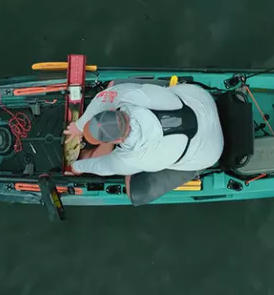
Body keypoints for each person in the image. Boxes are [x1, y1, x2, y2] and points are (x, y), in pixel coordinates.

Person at [63, 82, 224, 205]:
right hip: (202, 100)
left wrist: (76, 167)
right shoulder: (131, 95)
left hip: (209, 150)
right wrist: (78, 127)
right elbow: (102, 98)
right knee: (114, 86)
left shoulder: (133, 158)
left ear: (116, 141)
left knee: (133, 190)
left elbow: (102, 167)